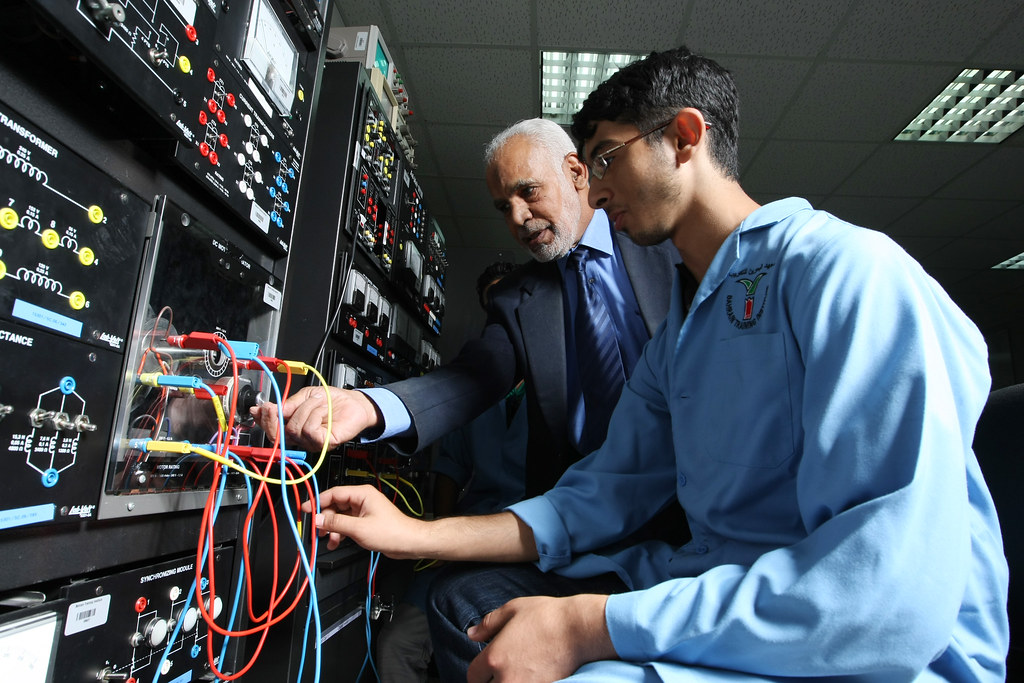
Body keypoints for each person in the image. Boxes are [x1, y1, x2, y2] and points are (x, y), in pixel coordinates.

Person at [303, 46, 1009, 682]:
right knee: (474, 608)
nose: (595, 188)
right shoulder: (685, 333)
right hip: (717, 579)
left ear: (684, 138)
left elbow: (884, 593)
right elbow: (593, 494)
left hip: (862, 632)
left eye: (605, 159)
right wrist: (412, 529)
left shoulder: (846, 272)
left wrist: (591, 627)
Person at [254, 117, 680, 495]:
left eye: (527, 191)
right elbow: (471, 379)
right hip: (581, 511)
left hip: (689, 493)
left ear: (575, 172)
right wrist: (368, 405)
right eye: (503, 207)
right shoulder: (515, 299)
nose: (517, 217)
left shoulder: (669, 245)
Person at [377, 262, 529, 683]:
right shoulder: (478, 386)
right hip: (465, 541)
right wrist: (437, 535)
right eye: (494, 308)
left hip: (532, 550)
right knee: (396, 648)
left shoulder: (564, 382)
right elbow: (451, 466)